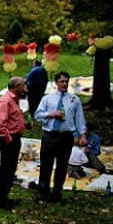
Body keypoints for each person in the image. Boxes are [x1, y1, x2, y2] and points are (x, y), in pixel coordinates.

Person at [34, 71, 87, 203]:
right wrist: (50, 114)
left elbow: (80, 119)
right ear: (56, 83)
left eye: (66, 81)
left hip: (66, 136)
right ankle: (43, 191)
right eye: (62, 81)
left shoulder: (74, 100)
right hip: (50, 135)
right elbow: (37, 115)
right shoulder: (47, 99)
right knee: (46, 165)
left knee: (62, 166)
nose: (64, 84)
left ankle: (57, 193)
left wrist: (83, 134)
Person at [0, 77, 27, 210]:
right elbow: (0, 122)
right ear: (16, 86)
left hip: (14, 137)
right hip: (9, 139)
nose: (24, 88)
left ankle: (4, 197)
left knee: (11, 168)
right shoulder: (5, 100)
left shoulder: (14, 100)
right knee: (6, 169)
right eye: (23, 85)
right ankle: (0, 200)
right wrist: (8, 138)